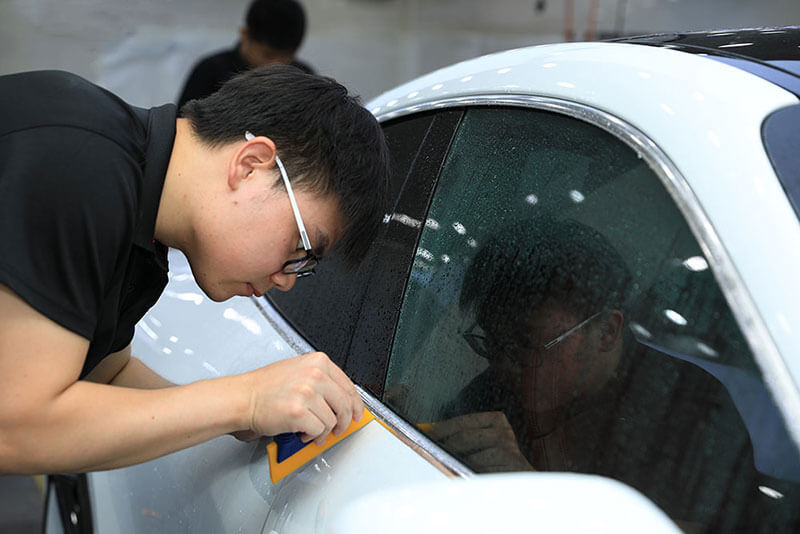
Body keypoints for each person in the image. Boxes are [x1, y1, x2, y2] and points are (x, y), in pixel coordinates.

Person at [0, 64, 389, 475]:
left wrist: (247, 418)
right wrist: (246, 399)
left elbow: (105, 376)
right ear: (251, 164)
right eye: (301, 246)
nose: (287, 279)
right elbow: (15, 429)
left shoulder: (142, 224)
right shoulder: (81, 165)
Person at [427, 217, 787, 530]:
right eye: (492, 343)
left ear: (607, 331)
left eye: (525, 347)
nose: (504, 365)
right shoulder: (500, 388)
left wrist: (535, 498)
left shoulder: (692, 411)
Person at [177, 0, 314, 108]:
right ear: (245, 34)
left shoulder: (304, 78)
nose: (276, 65)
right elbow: (182, 128)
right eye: (268, 55)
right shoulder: (211, 72)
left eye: (287, 57)